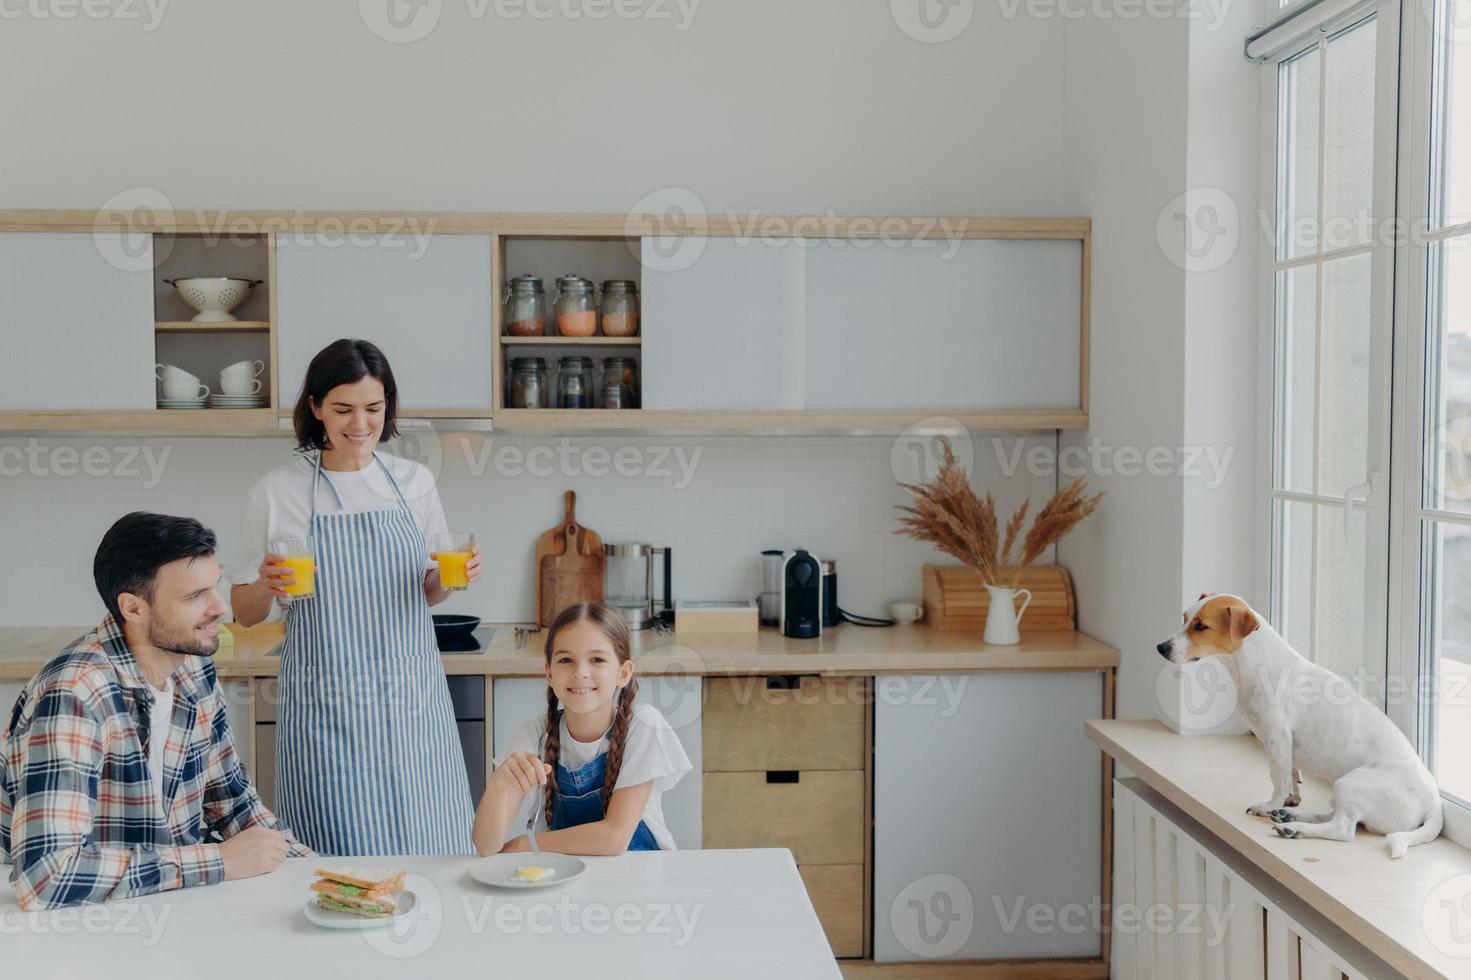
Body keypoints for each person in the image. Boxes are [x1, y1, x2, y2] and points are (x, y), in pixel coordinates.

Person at [230, 338, 480, 855]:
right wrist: (265, 586)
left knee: (428, 842)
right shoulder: (277, 491)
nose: (360, 424)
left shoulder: (414, 482)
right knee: (335, 854)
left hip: (411, 700)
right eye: (343, 409)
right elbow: (243, 614)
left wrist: (454, 578)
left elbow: (427, 591)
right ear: (316, 407)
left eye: (374, 408)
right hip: (327, 705)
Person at [0, 512, 308, 910]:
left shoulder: (192, 668)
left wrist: (323, 880)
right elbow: (46, 875)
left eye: (215, 587)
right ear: (134, 608)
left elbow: (237, 807)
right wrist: (218, 860)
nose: (220, 608)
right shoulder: (75, 692)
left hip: (166, 901)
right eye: (195, 596)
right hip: (78, 920)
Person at [474, 602, 691, 856]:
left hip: (640, 879)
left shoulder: (642, 726)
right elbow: (486, 846)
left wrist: (527, 844)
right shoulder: (535, 734)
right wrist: (499, 785)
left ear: (624, 673)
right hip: (562, 882)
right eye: (566, 660)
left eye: (597, 659)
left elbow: (614, 838)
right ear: (549, 672)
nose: (580, 672)